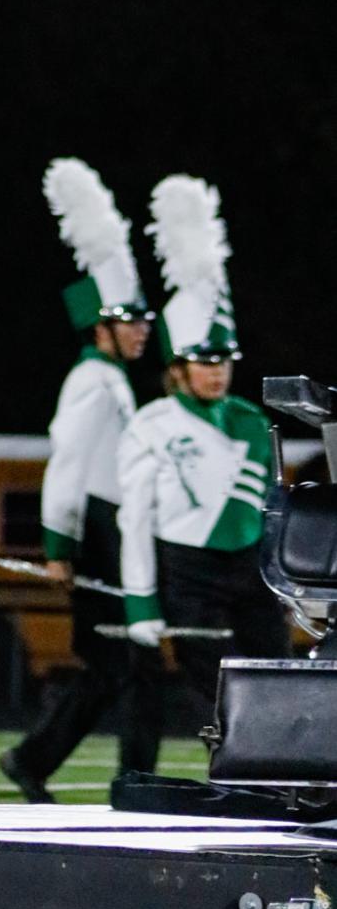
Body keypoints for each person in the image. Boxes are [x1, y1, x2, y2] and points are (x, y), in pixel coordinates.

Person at [0, 159, 162, 803]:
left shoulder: (114, 381)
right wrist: (60, 549)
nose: (143, 328)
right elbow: (67, 463)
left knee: (117, 667)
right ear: (102, 325)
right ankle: (121, 779)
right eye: (131, 319)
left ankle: (40, 761)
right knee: (125, 665)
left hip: (111, 534)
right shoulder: (93, 382)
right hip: (97, 535)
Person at [118, 174, 289, 734]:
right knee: (209, 683)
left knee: (276, 672)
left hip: (251, 566)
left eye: (223, 361)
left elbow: (270, 504)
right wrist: (141, 601)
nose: (216, 371)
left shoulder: (251, 419)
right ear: (178, 367)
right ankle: (231, 769)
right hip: (187, 565)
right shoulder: (152, 424)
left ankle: (278, 775)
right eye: (203, 361)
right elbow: (135, 517)